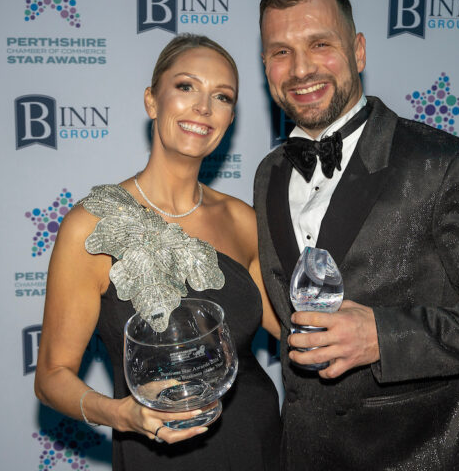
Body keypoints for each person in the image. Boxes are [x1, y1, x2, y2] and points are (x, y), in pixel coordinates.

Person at [253, 0, 459, 470]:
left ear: (359, 50)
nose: (300, 68)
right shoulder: (269, 172)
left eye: (320, 44)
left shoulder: (444, 163)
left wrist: (382, 336)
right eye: (280, 52)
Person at [35, 34, 281, 470]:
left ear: (230, 117)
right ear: (152, 100)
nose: (203, 107)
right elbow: (51, 378)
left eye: (221, 96)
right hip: (154, 455)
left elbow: (293, 331)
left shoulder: (243, 220)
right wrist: (122, 414)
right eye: (186, 87)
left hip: (255, 444)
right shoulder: (92, 225)